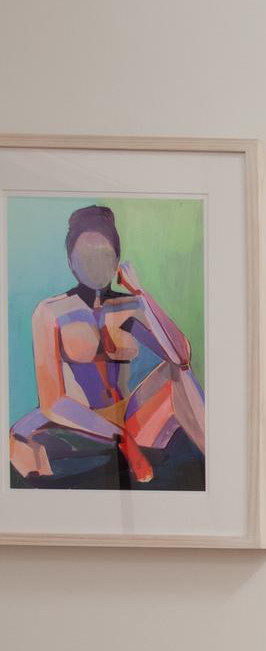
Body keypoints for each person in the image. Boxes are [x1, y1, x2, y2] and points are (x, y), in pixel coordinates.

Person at [6, 204, 206, 489]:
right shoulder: (51, 312)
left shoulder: (128, 306)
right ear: (70, 261)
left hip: (125, 418)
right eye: (85, 256)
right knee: (19, 445)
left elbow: (182, 356)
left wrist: (141, 294)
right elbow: (54, 403)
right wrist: (121, 439)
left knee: (178, 374)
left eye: (104, 256)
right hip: (74, 422)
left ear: (117, 262)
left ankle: (222, 472)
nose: (94, 264)